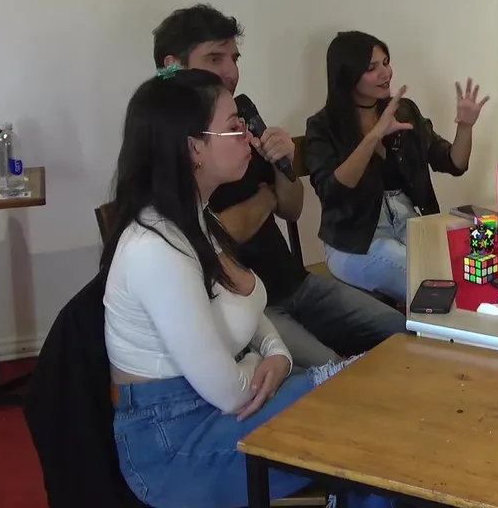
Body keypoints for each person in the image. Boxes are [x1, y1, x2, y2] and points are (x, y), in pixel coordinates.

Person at [102, 68, 394, 508]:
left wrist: (277, 355)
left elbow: (252, 310)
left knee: (375, 393)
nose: (249, 136)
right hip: (178, 442)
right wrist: (266, 361)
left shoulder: (195, 218)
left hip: (217, 404)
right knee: (369, 420)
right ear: (193, 149)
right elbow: (231, 393)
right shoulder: (154, 247)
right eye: (234, 126)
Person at [153, 5, 405, 367]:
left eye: (234, 58)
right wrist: (266, 196)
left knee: (402, 330)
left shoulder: (242, 121)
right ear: (173, 66)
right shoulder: (165, 145)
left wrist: (283, 164)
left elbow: (292, 208)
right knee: (333, 373)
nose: (230, 72)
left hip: (296, 283)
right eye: (214, 58)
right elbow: (214, 236)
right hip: (249, 308)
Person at [305, 31, 487, 303]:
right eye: (371, 68)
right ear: (347, 75)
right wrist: (374, 136)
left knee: (469, 263)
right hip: (355, 241)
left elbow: (454, 163)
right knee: (433, 281)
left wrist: (465, 126)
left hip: (410, 224)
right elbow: (332, 192)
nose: (385, 73)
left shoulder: (403, 111)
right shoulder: (323, 126)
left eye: (386, 62)